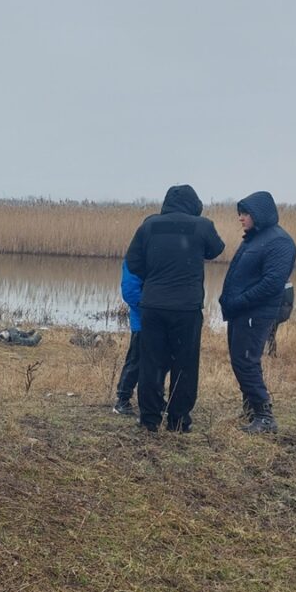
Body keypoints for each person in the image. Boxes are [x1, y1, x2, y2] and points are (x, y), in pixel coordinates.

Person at [125, 185, 224, 432]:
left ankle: (149, 420)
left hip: (153, 305)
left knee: (151, 362)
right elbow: (216, 250)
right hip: (186, 308)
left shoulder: (149, 226)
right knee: (185, 364)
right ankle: (178, 421)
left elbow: (133, 262)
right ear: (194, 204)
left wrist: (155, 277)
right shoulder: (202, 225)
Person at [219, 192, 296, 434]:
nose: (241, 218)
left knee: (246, 361)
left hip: (255, 313)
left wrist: (240, 301)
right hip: (240, 312)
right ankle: (251, 410)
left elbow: (272, 283)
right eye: (240, 213)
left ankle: (265, 418)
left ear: (259, 214)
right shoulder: (255, 238)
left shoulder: (279, 242)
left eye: (245, 214)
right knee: (240, 360)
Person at [112, 260, 143, 416]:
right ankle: (122, 399)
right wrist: (149, 308)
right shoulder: (135, 257)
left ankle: (156, 399)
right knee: (135, 361)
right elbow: (130, 291)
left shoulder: (159, 254)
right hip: (142, 322)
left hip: (160, 321)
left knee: (159, 363)